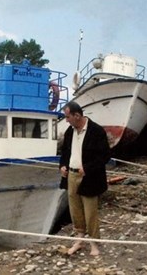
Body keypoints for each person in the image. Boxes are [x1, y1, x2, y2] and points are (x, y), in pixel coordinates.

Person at [59, 101, 111, 256]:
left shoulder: (96, 131)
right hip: (71, 175)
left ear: (77, 115)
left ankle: (94, 243)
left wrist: (87, 168)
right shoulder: (70, 132)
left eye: (68, 117)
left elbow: (104, 156)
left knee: (90, 212)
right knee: (75, 210)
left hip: (89, 176)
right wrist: (62, 166)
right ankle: (80, 240)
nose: (66, 120)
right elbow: (65, 153)